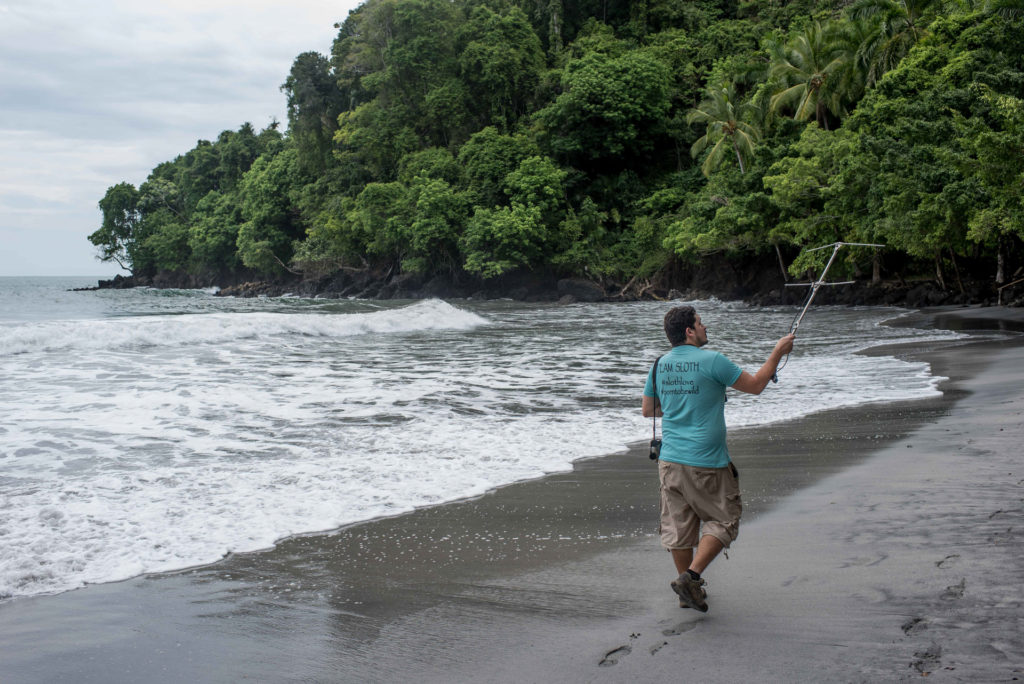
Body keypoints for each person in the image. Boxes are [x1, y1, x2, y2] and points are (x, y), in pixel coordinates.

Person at [642, 305, 794, 612]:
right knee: (724, 520)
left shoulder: (659, 364)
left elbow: (649, 410)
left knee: (679, 528)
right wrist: (778, 351)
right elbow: (756, 386)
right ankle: (691, 578)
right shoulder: (712, 360)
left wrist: (684, 403)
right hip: (706, 460)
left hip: (670, 462)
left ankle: (686, 590)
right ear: (689, 331)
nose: (705, 327)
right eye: (700, 323)